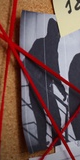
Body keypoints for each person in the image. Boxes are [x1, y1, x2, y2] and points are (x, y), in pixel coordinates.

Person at [25, 18, 67, 152]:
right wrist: (36, 79)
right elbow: (27, 62)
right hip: (38, 88)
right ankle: (51, 144)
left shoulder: (53, 50)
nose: (58, 38)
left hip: (44, 88)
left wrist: (61, 90)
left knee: (48, 117)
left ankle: (53, 143)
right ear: (52, 33)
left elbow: (56, 72)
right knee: (45, 117)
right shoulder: (40, 44)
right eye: (57, 34)